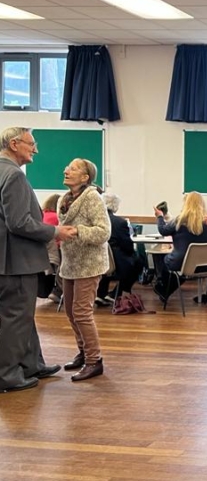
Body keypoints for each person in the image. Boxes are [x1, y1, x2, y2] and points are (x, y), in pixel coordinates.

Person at [0, 127, 75, 393]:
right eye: (32, 144)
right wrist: (56, 231)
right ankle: (8, 376)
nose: (36, 149)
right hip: (15, 261)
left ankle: (32, 364)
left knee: (21, 316)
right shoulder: (14, 177)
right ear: (14, 144)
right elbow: (19, 223)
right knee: (15, 318)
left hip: (8, 261)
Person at [59, 157, 111, 382]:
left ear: (85, 177)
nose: (66, 170)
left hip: (89, 264)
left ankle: (94, 360)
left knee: (82, 313)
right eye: (67, 166)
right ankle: (83, 352)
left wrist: (77, 230)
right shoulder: (65, 198)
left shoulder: (93, 198)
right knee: (71, 312)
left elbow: (103, 232)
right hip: (70, 263)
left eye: (73, 168)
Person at [152, 191, 207, 302]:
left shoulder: (180, 220)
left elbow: (163, 231)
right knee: (177, 264)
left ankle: (162, 288)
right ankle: (163, 289)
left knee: (163, 259)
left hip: (181, 263)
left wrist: (160, 217)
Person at [96, 192, 143, 304]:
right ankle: (117, 293)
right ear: (115, 206)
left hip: (97, 259)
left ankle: (100, 294)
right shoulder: (120, 222)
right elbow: (127, 245)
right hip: (117, 261)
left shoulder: (95, 220)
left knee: (106, 267)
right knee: (139, 262)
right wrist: (132, 254)